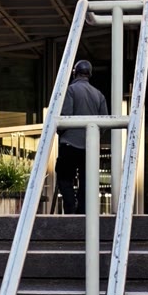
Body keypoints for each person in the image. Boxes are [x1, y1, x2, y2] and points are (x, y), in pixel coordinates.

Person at [56, 60, 109, 214]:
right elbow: (105, 122)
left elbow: (65, 116)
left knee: (64, 178)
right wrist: (95, 136)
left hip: (69, 144)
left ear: (75, 73)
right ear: (89, 74)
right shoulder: (98, 95)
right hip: (89, 147)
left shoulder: (70, 90)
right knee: (86, 181)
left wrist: (60, 132)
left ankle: (70, 208)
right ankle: (82, 212)